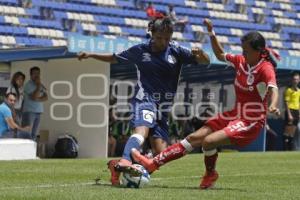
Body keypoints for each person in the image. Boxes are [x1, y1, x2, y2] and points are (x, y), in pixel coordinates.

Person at [131, 18, 280, 190]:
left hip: (251, 120)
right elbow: (219, 55)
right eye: (242, 50)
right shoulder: (241, 62)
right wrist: (211, 32)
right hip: (235, 113)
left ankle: (210, 174)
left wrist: (273, 104)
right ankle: (152, 164)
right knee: (194, 137)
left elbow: (273, 87)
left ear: (259, 51)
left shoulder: (265, 68)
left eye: (246, 51)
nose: (243, 54)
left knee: (208, 141)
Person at [77, 17, 210, 185]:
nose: (163, 42)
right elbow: (114, 58)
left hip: (163, 106)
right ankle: (125, 161)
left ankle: (117, 167)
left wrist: (202, 55)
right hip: (144, 98)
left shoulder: (176, 50)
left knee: (160, 153)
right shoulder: (140, 50)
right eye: (160, 38)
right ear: (152, 34)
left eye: (167, 38)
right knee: (141, 132)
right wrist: (90, 54)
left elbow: (205, 61)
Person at [22, 66, 48, 140]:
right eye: (34, 73)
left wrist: (37, 99)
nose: (37, 75)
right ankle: (25, 150)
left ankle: (31, 150)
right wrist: (39, 85)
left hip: (38, 112)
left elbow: (46, 97)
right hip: (29, 112)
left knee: (34, 133)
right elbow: (34, 97)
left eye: (38, 73)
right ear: (30, 75)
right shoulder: (28, 85)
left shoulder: (39, 85)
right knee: (27, 133)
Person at [283, 72, 300, 150]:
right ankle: (285, 149)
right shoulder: (288, 90)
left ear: (299, 80)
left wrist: (299, 113)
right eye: (294, 79)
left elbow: (299, 102)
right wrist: (289, 114)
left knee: (292, 133)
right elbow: (286, 102)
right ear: (291, 80)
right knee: (287, 132)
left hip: (296, 112)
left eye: (297, 79)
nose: (295, 81)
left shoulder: (299, 91)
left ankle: (290, 150)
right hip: (290, 111)